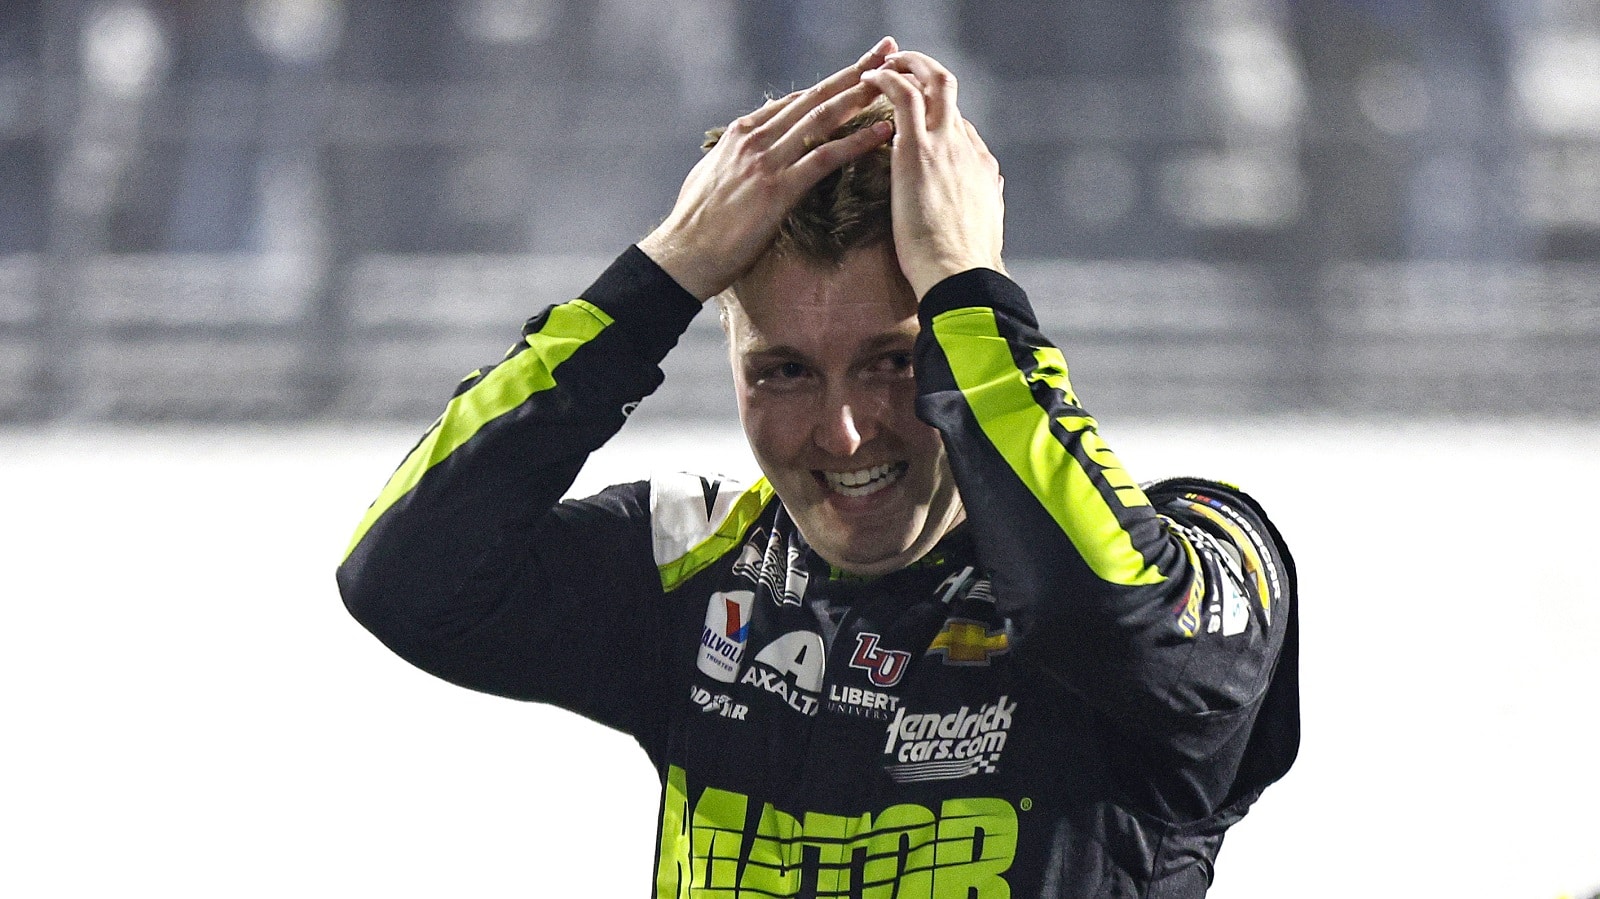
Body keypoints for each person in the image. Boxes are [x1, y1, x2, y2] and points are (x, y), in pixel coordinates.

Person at [338, 37, 1298, 898]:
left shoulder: (1199, 549)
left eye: (893, 362)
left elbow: (1108, 616)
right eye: (785, 371)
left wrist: (968, 289)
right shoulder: (695, 563)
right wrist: (660, 273)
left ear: (968, 345)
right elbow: (401, 575)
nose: (844, 434)